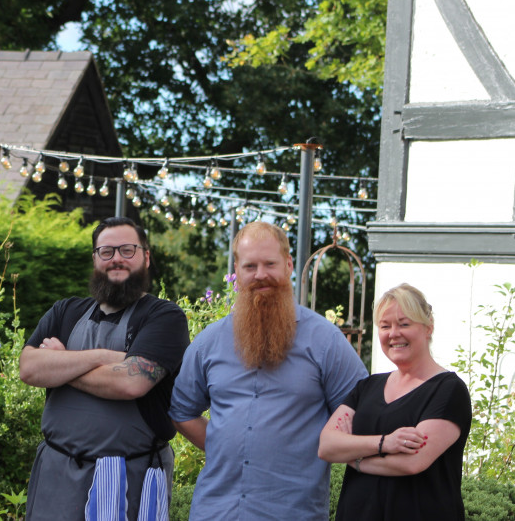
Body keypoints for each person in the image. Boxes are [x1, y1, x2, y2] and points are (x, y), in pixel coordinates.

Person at [169, 221, 367, 520]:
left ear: (288, 265)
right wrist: (226, 445)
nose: (260, 274)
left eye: (270, 264)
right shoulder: (210, 341)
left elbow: (361, 411)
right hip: (216, 511)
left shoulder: (325, 341)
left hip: (292, 512)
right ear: (237, 270)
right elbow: (182, 411)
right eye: (250, 266)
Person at [19, 216, 190, 521]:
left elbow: (130, 384)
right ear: (95, 259)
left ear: (146, 257)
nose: (117, 260)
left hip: (128, 481)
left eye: (127, 250)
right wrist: (104, 358)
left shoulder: (164, 317)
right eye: (106, 252)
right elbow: (29, 368)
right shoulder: (65, 311)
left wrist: (62, 363)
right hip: (55, 478)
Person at [318, 283, 472, 521]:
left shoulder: (448, 390)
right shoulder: (367, 387)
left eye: (404, 324)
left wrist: (354, 457)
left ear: (428, 327)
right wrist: (385, 443)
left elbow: (412, 461)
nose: (393, 333)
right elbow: (327, 445)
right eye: (385, 325)